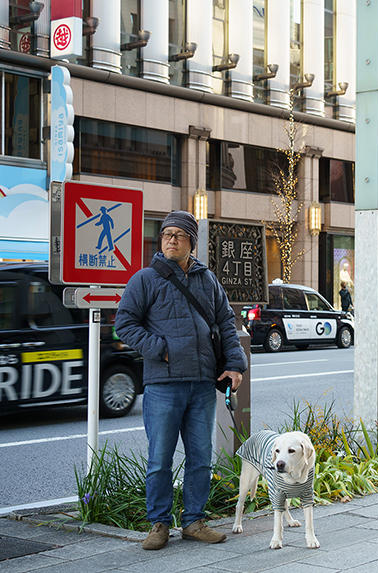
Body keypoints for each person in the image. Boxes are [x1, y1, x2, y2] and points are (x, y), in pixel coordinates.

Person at [115, 210, 247, 551]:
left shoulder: (207, 280)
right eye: (167, 234)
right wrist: (161, 349)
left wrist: (235, 364)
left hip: (203, 383)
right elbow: (125, 324)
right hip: (163, 384)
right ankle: (159, 524)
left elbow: (226, 323)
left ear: (192, 241)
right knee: (160, 458)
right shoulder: (145, 279)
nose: (172, 239)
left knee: (201, 456)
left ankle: (194, 521)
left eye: (179, 235)